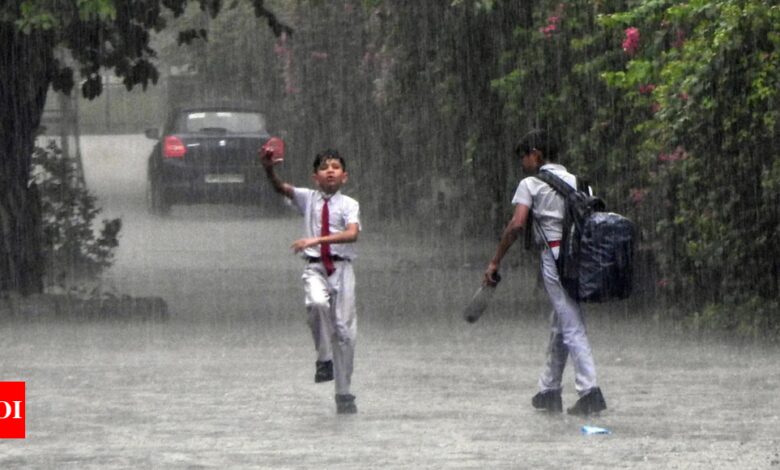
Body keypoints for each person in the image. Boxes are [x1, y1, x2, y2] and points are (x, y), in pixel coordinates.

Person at [482, 129, 607, 416]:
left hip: (553, 256)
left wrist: (495, 261)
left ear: (536, 154)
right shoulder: (579, 182)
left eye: (524, 157)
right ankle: (549, 389)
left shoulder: (531, 184)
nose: (523, 163)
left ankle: (590, 391)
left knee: (572, 324)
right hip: (580, 256)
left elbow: (516, 225)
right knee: (561, 323)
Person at [260, 146, 361, 415]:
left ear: (345, 176)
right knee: (316, 303)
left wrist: (316, 239)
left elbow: (352, 234)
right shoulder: (308, 198)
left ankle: (343, 392)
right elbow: (281, 188)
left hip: (342, 269)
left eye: (336, 167)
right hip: (315, 267)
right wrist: (269, 169)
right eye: (324, 167)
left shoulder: (350, 205)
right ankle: (323, 358)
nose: (330, 170)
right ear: (315, 176)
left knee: (345, 333)